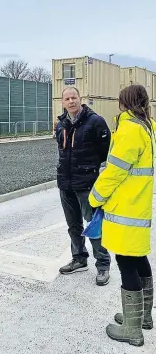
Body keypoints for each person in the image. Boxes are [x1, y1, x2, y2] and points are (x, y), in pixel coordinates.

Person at [89, 85, 154, 347]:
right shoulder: (148, 127)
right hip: (138, 207)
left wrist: (95, 197)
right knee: (139, 259)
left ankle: (131, 329)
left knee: (126, 262)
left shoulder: (129, 130)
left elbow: (114, 171)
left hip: (124, 208)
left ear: (123, 102)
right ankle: (143, 318)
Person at [56, 87, 111, 286]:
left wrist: (92, 171)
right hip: (66, 183)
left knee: (94, 226)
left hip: (87, 184)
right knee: (73, 226)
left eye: (74, 97)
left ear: (81, 99)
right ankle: (79, 258)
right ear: (62, 102)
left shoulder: (95, 122)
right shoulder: (61, 124)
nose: (71, 101)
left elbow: (105, 152)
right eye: (67, 98)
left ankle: (103, 265)